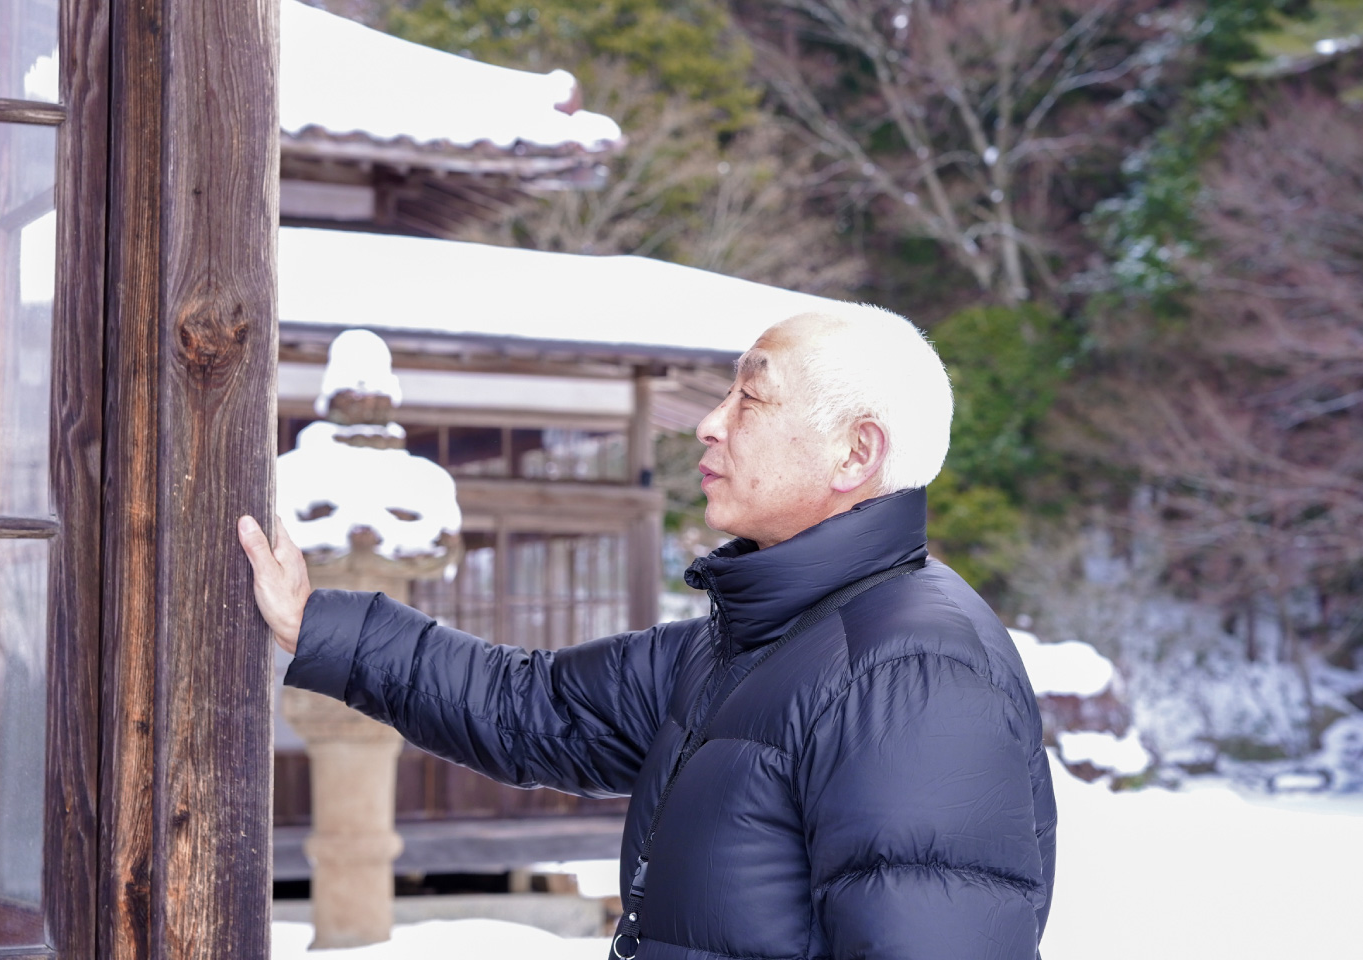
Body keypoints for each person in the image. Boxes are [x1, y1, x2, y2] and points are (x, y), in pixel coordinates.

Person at [240, 305, 1057, 960]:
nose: (708, 423)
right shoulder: (752, 639)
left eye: (750, 396)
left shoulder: (911, 670)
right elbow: (532, 705)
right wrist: (321, 623)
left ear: (855, 453)